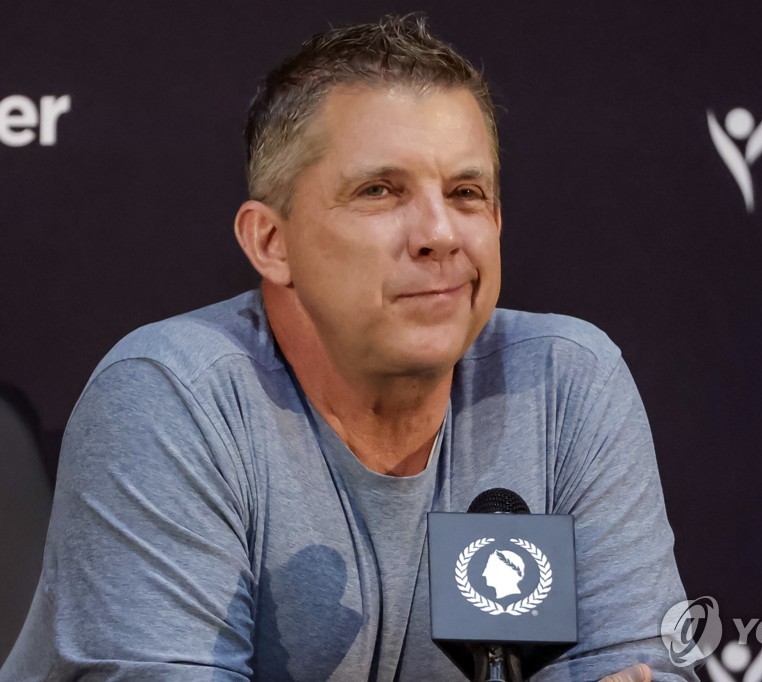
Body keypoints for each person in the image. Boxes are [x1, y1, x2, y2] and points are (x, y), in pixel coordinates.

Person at [1, 15, 694, 682]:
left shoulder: (568, 382)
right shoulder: (171, 396)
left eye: (466, 192)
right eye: (380, 191)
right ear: (271, 242)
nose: (440, 234)